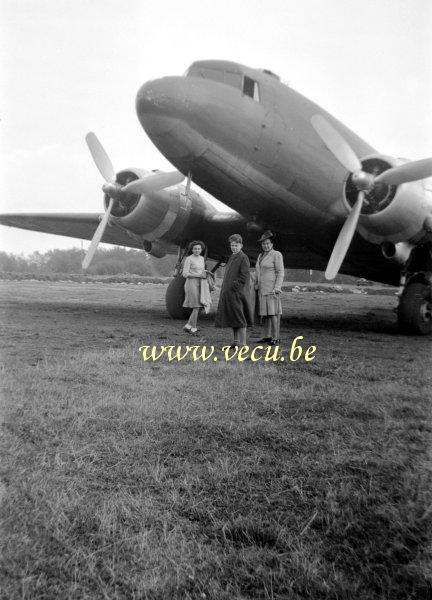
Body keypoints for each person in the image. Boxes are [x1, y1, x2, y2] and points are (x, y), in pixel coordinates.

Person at [215, 234, 253, 347]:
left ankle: (243, 344)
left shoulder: (243, 257)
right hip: (229, 293)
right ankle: (236, 342)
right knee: (233, 318)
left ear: (241, 245)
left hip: (237, 294)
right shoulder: (232, 256)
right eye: (232, 245)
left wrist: (234, 287)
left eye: (236, 245)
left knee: (240, 318)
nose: (234, 247)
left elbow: (244, 276)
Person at [255, 230, 284, 345]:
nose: (265, 245)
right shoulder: (260, 255)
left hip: (272, 289)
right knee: (265, 314)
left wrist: (277, 287)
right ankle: (267, 336)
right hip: (262, 289)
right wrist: (257, 283)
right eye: (263, 243)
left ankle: (276, 337)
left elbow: (280, 272)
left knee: (273, 313)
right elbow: (259, 272)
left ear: (272, 244)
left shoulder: (276, 254)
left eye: (267, 243)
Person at [182, 240, 207, 334]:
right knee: (197, 306)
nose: (197, 250)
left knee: (198, 306)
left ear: (201, 249)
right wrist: (198, 276)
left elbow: (202, 271)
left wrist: (206, 275)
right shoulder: (189, 259)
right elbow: (185, 274)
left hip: (200, 283)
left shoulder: (201, 259)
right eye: (195, 249)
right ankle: (193, 328)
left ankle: (188, 326)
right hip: (191, 283)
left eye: (199, 249)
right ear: (192, 250)